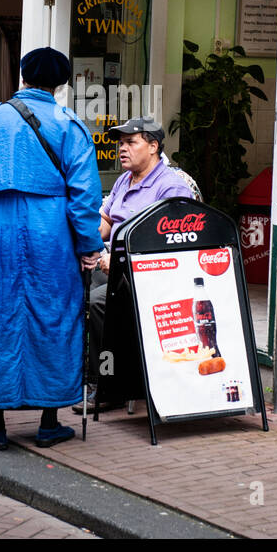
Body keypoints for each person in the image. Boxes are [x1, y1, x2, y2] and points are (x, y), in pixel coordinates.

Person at [0, 47, 103, 450]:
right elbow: (85, 196)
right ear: (62, 83)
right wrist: (89, 245)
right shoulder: (71, 126)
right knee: (55, 317)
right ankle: (49, 421)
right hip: (51, 232)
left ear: (21, 76)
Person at [76, 116, 195, 413]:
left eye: (131, 142)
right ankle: (78, 374)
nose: (122, 149)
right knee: (74, 288)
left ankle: (107, 383)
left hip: (151, 278)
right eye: (120, 143)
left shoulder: (171, 188)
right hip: (115, 269)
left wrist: (117, 260)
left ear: (153, 146)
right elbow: (105, 220)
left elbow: (170, 246)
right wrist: (84, 241)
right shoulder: (123, 180)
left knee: (99, 301)